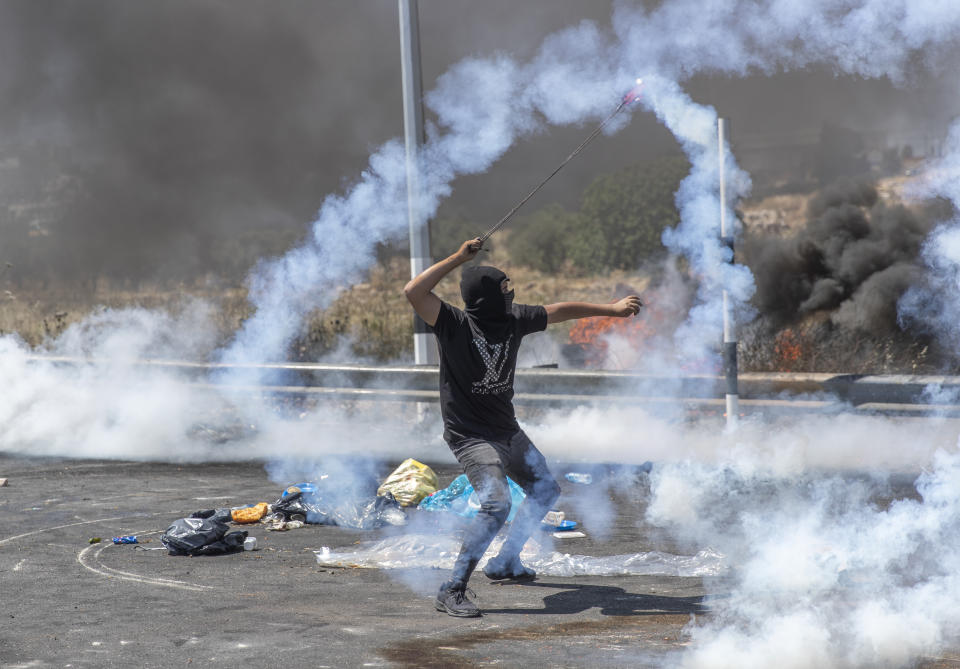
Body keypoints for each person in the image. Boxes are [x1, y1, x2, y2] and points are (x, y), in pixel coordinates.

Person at [404, 237, 642, 618]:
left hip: (506, 429)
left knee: (545, 489)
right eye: (503, 288)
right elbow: (414, 291)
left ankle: (505, 562)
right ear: (485, 296)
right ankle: (452, 589)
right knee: (497, 504)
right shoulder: (453, 323)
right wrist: (458, 258)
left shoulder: (514, 320)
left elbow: (560, 310)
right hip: (471, 435)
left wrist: (611, 310)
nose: (510, 294)